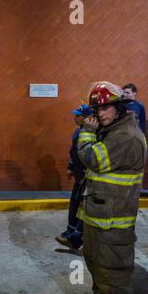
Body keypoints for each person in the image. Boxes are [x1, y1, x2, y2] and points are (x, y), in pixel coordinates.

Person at [77, 81, 147, 294]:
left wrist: (87, 131)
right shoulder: (113, 131)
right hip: (102, 222)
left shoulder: (126, 136)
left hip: (113, 227)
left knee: (112, 280)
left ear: (119, 109)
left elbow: (92, 158)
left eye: (105, 107)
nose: (100, 113)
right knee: (100, 275)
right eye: (97, 109)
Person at [55, 104, 92, 250]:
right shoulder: (78, 132)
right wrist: (71, 167)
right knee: (75, 204)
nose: (75, 118)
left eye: (78, 115)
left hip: (85, 177)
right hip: (79, 176)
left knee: (79, 205)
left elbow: (88, 156)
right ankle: (72, 232)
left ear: (88, 117)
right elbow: (74, 153)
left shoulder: (91, 134)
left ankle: (73, 235)